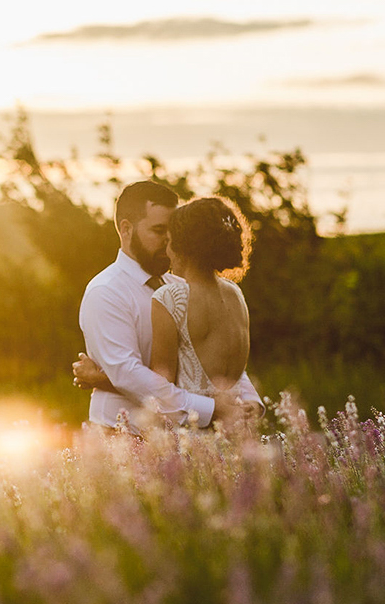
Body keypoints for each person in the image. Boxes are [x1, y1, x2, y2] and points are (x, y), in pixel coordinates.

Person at [73, 181, 261, 434]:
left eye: (172, 232)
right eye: (159, 230)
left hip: (178, 439)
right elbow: (129, 376)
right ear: (126, 229)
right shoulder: (106, 291)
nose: (168, 241)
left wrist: (248, 400)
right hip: (125, 435)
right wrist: (212, 407)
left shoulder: (181, 286)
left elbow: (213, 357)